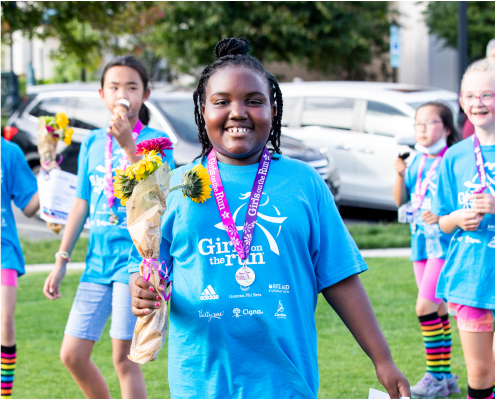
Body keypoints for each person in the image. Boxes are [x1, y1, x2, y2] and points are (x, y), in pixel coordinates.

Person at [128, 37, 410, 399]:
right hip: (201, 382)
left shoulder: (304, 182)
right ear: (202, 109)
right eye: (222, 101)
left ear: (273, 110)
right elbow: (155, 267)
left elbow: (340, 277)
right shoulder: (175, 186)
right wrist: (143, 285)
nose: (238, 112)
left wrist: (382, 359)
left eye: (254, 101)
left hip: (286, 382)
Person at [42, 56, 175, 399]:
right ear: (102, 93)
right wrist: (60, 258)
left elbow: (156, 199)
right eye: (114, 86)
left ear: (145, 93)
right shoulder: (91, 142)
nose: (123, 93)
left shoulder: (158, 142)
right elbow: (81, 203)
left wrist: (130, 147)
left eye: (132, 86)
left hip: (133, 263)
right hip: (96, 263)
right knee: (72, 355)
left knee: (124, 360)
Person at [432, 58, 495, 399]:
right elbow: (441, 220)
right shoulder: (454, 156)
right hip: (471, 276)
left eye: (488, 94)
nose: (478, 103)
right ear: (461, 100)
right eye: (470, 96)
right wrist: (458, 219)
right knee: (481, 371)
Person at [393, 102, 460, 398]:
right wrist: (399, 174)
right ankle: (445, 379)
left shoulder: (452, 160)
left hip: (444, 246)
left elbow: (460, 200)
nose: (421, 129)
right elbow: (400, 200)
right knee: (438, 309)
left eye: (429, 123)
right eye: (417, 124)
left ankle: (434, 376)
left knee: (424, 308)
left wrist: (443, 214)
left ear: (446, 128)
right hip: (420, 242)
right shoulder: (417, 161)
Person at [0, 137, 42, 398]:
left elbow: (29, 206)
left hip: (3, 250)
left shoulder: (9, 152)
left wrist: (49, 176)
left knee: (4, 321)